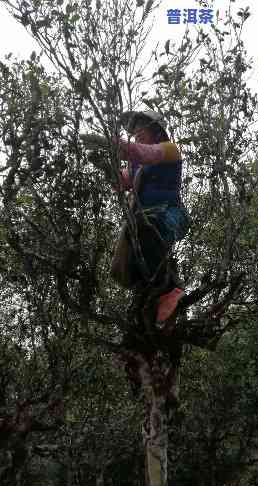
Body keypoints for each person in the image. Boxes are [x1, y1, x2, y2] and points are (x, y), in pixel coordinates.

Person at [80, 110, 189, 325]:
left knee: (145, 229)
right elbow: (120, 182)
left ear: (156, 129)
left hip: (168, 214)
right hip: (142, 218)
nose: (136, 131)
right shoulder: (136, 166)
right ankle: (154, 302)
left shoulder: (170, 150)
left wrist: (108, 143)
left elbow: (143, 153)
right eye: (134, 128)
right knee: (126, 266)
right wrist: (104, 165)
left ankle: (171, 290)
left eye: (141, 126)